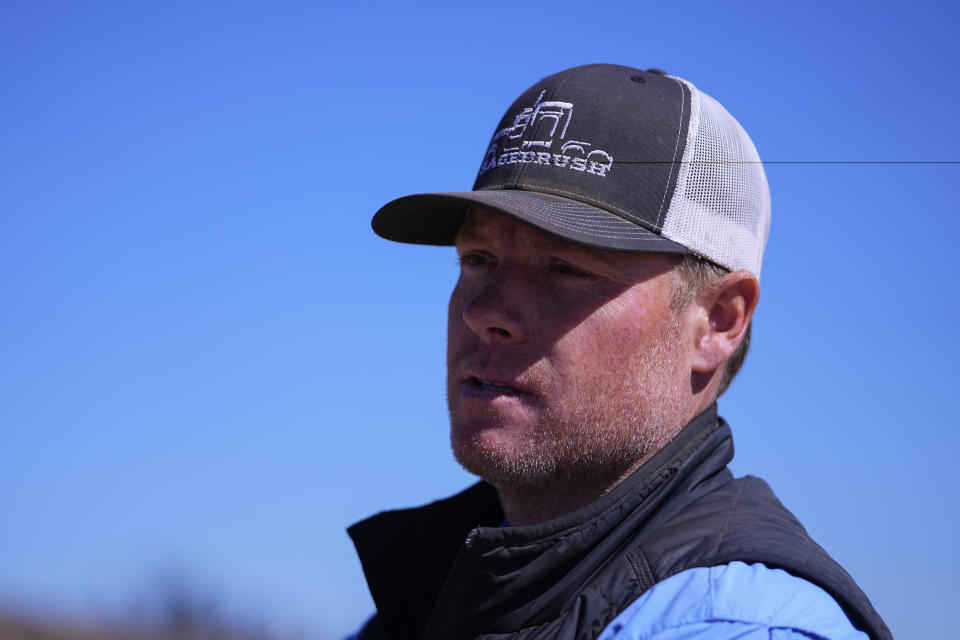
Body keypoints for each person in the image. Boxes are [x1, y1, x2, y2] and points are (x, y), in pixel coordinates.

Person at [347, 64, 891, 640]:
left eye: (566, 269)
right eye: (478, 259)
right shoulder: (429, 601)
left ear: (717, 321)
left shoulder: (734, 626)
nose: (485, 313)